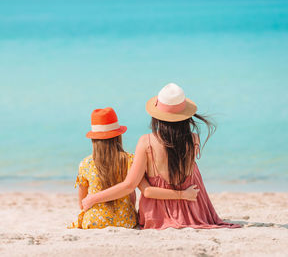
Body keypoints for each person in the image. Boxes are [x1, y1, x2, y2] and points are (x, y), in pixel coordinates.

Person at [82, 84, 241, 229]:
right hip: (194, 211)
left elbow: (130, 186)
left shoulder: (146, 142)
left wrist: (92, 199)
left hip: (157, 216)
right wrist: (183, 195)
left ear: (156, 116)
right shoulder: (194, 139)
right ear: (185, 116)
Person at [69, 107, 199, 229]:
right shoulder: (129, 160)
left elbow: (82, 203)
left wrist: (92, 202)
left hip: (93, 221)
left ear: (93, 140)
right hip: (125, 219)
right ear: (118, 136)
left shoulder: (85, 164)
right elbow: (133, 197)